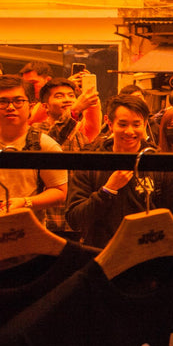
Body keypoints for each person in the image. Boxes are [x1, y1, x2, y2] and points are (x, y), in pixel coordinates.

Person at [65, 93, 173, 248]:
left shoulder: (158, 162)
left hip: (146, 253)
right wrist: (107, 190)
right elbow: (75, 220)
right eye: (123, 125)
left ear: (145, 124)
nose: (130, 131)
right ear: (110, 124)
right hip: (100, 253)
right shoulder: (92, 160)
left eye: (136, 125)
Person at [0, 75, 68, 219]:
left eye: (18, 101)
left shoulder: (44, 144)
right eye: (3, 102)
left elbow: (60, 192)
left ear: (31, 106)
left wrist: (25, 202)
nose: (10, 107)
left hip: (27, 225)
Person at [35, 76, 101, 235]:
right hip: (48, 219)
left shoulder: (80, 134)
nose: (67, 99)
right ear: (45, 106)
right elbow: (52, 143)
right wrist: (75, 111)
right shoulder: (35, 132)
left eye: (71, 95)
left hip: (76, 219)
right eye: (59, 96)